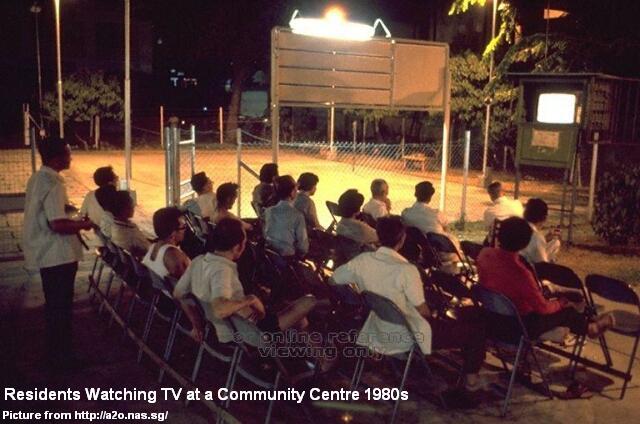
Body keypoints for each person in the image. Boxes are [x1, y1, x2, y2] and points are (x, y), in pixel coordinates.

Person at [332, 216, 487, 392]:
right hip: (408, 336)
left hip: (375, 328)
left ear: (378, 236)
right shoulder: (406, 269)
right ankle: (471, 383)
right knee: (475, 331)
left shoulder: (363, 260)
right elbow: (423, 312)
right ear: (402, 238)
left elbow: (334, 279)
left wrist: (365, 297)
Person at [173, 218, 317, 343]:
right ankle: (309, 359)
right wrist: (251, 299)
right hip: (252, 333)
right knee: (310, 300)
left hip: (233, 326)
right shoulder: (222, 271)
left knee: (298, 317)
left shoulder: (199, 261)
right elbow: (220, 309)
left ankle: (319, 359)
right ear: (238, 246)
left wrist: (196, 326)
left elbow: (178, 293)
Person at [477, 217, 614, 341]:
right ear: (524, 243)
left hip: (491, 320)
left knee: (552, 298)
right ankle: (590, 328)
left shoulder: (484, 254)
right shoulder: (521, 272)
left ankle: (591, 320)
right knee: (567, 310)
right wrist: (561, 303)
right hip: (518, 327)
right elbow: (542, 308)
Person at [23, 137, 94, 369]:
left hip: (45, 253)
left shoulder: (38, 178)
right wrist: (83, 225)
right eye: (67, 153)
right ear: (57, 158)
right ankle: (62, 358)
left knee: (54, 307)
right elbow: (57, 224)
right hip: (58, 255)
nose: (71, 157)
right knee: (61, 309)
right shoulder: (54, 184)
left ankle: (55, 354)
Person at [264, 175, 309, 258]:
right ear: (292, 192)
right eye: (295, 190)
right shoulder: (297, 215)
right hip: (286, 259)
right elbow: (303, 247)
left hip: (269, 256)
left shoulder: (268, 211)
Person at [142, 207, 191, 280]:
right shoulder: (174, 256)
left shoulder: (153, 246)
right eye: (183, 227)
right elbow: (187, 286)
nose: (185, 230)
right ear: (173, 233)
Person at [110, 190, 151, 259]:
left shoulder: (115, 226)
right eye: (131, 203)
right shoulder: (129, 233)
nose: (133, 206)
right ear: (123, 209)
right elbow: (148, 249)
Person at [521, 198, 561, 264]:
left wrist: (544, 239)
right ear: (544, 218)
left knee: (555, 243)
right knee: (556, 243)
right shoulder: (536, 237)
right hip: (528, 268)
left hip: (516, 264)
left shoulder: (517, 227)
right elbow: (542, 265)